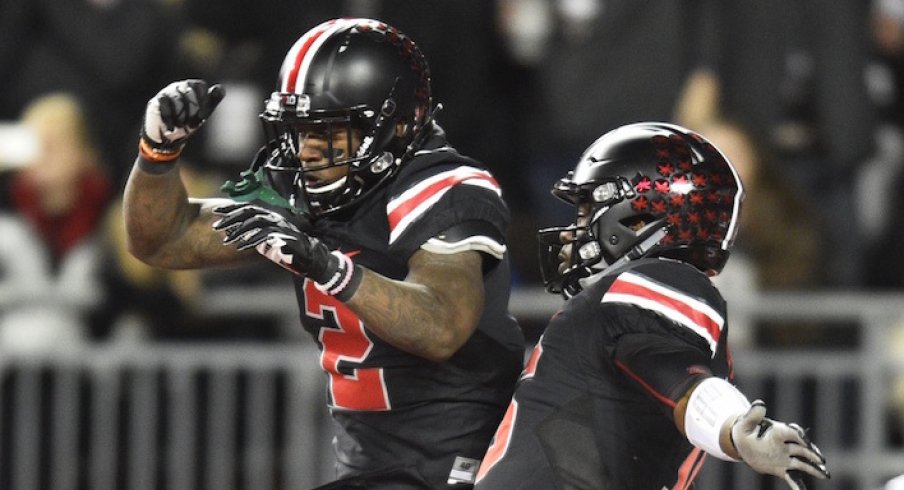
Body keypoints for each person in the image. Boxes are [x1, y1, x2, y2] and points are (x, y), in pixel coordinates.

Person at [122, 17, 525, 489]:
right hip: (372, 467)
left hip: (460, 464)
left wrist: (325, 264)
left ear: (395, 125)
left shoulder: (443, 187)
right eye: (298, 130)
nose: (308, 151)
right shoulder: (304, 187)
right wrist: (158, 154)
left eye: (329, 132)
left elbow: (440, 327)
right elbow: (163, 240)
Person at [474, 122, 830, 489]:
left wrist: (732, 426)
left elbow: (667, 363)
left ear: (637, 218)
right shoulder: (627, 298)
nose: (572, 230)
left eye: (586, 211)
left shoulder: (661, 279)